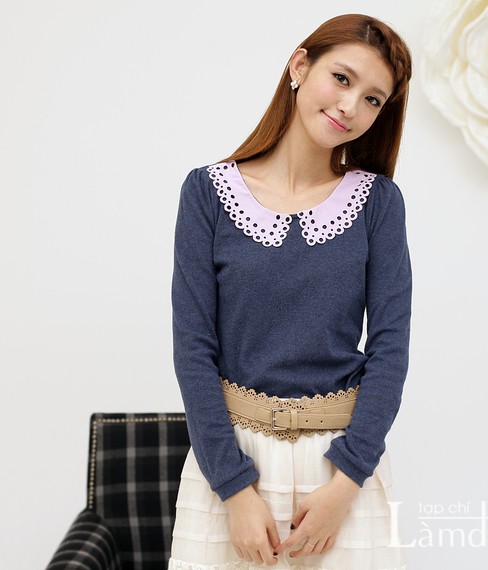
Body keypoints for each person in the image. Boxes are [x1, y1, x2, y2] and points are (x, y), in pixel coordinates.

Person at [168, 12, 413, 570]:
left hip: (340, 475)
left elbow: (390, 350)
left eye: (373, 100)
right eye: (342, 78)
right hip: (231, 470)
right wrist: (234, 490)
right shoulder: (207, 193)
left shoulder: (378, 203)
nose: (350, 106)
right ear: (300, 65)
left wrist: (346, 485)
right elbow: (193, 350)